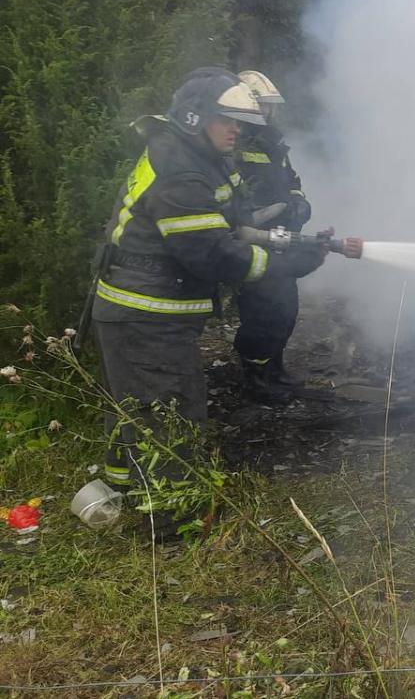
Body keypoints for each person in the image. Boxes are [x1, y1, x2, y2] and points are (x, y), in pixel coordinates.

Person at [91, 67, 325, 526]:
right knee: (171, 409)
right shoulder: (180, 167)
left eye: (239, 120)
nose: (237, 128)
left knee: (140, 405)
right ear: (196, 117)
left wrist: (291, 242)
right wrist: (279, 266)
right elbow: (211, 253)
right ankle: (172, 521)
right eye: (226, 119)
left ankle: (121, 493)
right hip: (145, 312)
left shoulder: (200, 158)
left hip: (145, 308)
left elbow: (235, 223)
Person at [232, 71, 312, 395]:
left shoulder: (274, 142)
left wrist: (298, 203)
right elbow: (237, 198)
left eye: (270, 107)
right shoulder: (235, 144)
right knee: (261, 312)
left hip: (281, 237)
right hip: (254, 240)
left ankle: (275, 368)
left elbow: (291, 181)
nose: (269, 113)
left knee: (287, 307)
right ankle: (255, 379)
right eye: (263, 106)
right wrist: (266, 212)